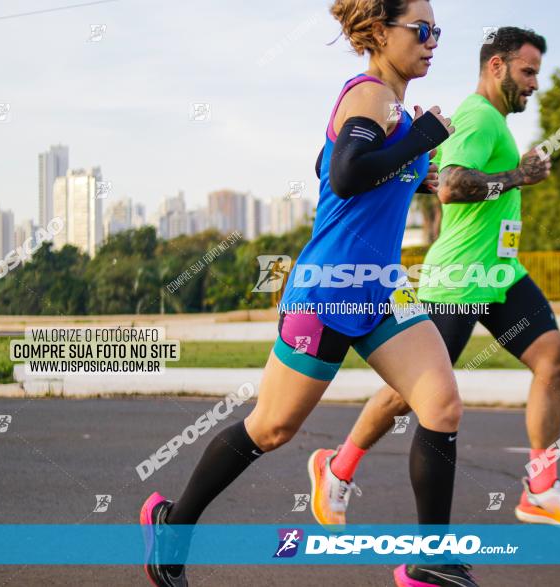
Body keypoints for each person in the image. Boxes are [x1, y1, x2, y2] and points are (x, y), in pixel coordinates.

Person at [139, 1, 480, 586]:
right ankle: (174, 522)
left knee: (441, 402)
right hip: (327, 291)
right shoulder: (368, 93)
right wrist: (421, 137)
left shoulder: (389, 107)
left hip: (379, 290)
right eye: (422, 30)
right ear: (379, 31)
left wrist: (412, 169)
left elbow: (329, 165)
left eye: (437, 31)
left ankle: (431, 559)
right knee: (271, 429)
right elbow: (347, 172)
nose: (433, 41)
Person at [310, 26, 560, 530]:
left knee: (553, 361)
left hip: (500, 274)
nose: (535, 84)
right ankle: (336, 469)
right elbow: (452, 188)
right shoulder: (477, 117)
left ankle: (540, 486)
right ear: (497, 67)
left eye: (537, 73)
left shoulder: (493, 122)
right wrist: (519, 177)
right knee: (411, 395)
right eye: (527, 71)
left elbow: (433, 180)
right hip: (459, 279)